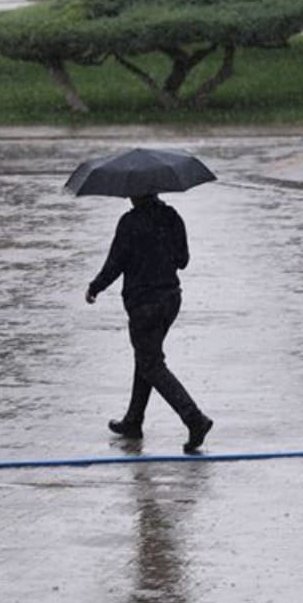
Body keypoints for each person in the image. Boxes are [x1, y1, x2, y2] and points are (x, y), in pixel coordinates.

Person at [86, 193, 214, 454]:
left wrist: (95, 288)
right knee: (146, 357)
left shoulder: (129, 223)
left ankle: (194, 419)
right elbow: (183, 260)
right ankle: (133, 420)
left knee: (151, 364)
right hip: (170, 300)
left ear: (135, 194)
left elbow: (115, 264)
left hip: (144, 305)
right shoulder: (172, 217)